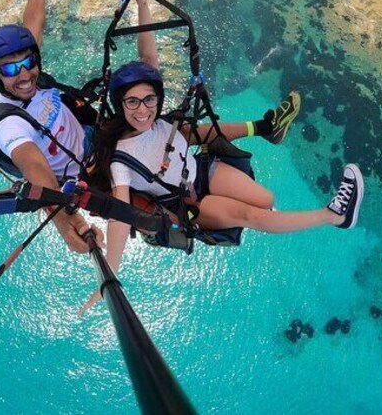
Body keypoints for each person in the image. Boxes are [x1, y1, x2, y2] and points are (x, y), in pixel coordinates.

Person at [0, 0, 303, 254]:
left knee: (179, 131)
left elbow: (33, 22)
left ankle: (264, 128)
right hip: (88, 172)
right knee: (143, 207)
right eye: (10, 69)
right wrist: (69, 226)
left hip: (98, 133)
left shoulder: (25, 69)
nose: (24, 74)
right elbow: (38, 175)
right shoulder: (9, 124)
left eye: (28, 63)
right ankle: (170, 225)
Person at [78, 18, 364, 313]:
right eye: (133, 102)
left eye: (149, 99)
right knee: (250, 215)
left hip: (201, 170)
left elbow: (150, 59)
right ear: (121, 104)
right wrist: (110, 274)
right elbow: (121, 217)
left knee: (268, 199)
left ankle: (268, 200)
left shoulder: (160, 122)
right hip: (188, 203)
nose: (143, 110)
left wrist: (140, 1)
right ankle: (334, 216)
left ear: (157, 98)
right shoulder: (120, 159)